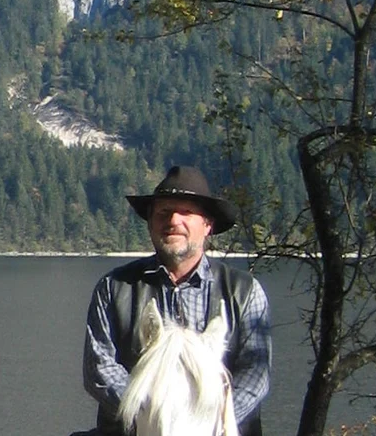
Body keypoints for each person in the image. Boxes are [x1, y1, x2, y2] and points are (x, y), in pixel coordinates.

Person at [82, 166, 270, 435]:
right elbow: (99, 368)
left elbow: (256, 374)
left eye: (186, 212)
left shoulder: (244, 292)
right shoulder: (113, 289)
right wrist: (153, 413)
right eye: (163, 212)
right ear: (150, 223)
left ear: (208, 224)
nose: (173, 220)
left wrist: (204, 420)